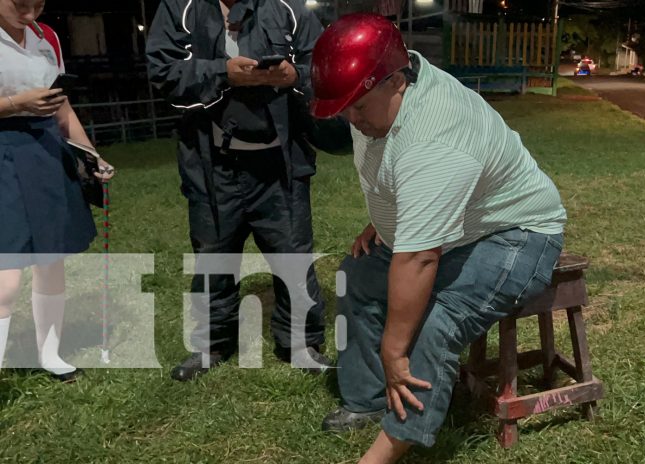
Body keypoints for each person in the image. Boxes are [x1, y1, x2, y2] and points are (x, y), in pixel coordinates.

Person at [310, 14, 567, 464]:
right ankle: (368, 398)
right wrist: (392, 219)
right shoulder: (384, 94)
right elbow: (400, 174)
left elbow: (419, 259)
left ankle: (390, 445)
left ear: (396, 82)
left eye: (359, 108)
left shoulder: (435, 135)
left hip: (517, 233)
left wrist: (394, 350)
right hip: (463, 222)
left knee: (439, 322)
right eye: (344, 108)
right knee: (358, 274)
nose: (351, 119)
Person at [146, 0, 329, 381]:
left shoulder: (289, 9)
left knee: (293, 256)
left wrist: (293, 76)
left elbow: (325, 68)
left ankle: (301, 342)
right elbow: (162, 71)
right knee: (213, 257)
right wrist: (223, 73)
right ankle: (211, 344)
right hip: (213, 167)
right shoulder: (181, 7)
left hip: (281, 165)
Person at [0, 0, 115, 382]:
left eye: (38, 2)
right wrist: (17, 103)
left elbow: (61, 106)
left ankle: (50, 354)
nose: (30, 10)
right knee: (7, 273)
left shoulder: (46, 36)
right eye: (20, 2)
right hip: (3, 149)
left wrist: (89, 154)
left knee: (52, 260)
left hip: (46, 147)